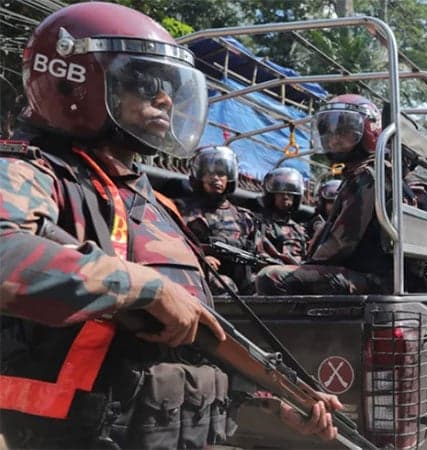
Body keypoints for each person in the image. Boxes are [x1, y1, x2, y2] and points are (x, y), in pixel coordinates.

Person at [0, 3, 339, 448]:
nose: (165, 100)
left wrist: (269, 398)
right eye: (144, 84)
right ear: (74, 81)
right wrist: (148, 288)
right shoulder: (33, 171)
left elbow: (185, 338)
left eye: (168, 89)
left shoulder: (150, 200)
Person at [256, 94, 396, 295]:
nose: (334, 140)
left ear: (367, 131)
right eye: (329, 133)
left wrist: (305, 265)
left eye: (344, 132)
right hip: (369, 274)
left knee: (269, 277)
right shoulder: (374, 171)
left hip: (371, 279)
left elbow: (341, 243)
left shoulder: (368, 176)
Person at [179, 145, 258, 294]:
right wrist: (201, 258)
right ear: (199, 177)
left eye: (221, 173)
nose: (215, 178)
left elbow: (255, 253)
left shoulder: (245, 217)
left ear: (229, 178)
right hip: (201, 272)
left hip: (242, 276)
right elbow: (175, 245)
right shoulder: (184, 211)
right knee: (225, 285)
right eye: (209, 173)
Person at [256, 167, 308, 264]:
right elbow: (259, 253)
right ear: (272, 196)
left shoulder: (299, 230)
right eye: (280, 193)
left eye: (290, 193)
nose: (285, 197)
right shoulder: (260, 224)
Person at [306, 178, 341, 249]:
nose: (335, 206)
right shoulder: (317, 221)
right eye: (331, 202)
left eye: (338, 203)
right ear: (323, 203)